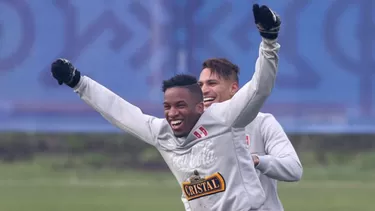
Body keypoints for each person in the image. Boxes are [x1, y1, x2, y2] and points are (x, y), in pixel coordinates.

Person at [50, 4, 281, 211]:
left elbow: (259, 89)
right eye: (167, 106)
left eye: (181, 105)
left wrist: (269, 42)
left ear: (200, 107)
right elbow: (118, 109)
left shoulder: (224, 118)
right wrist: (78, 82)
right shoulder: (162, 133)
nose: (172, 113)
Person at [197, 57, 302, 211]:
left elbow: (294, 169)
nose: (204, 90)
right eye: (201, 84)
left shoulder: (262, 123)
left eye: (212, 83)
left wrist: (256, 160)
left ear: (234, 88)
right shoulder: (195, 130)